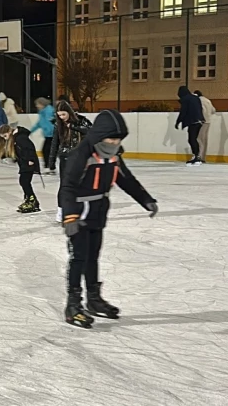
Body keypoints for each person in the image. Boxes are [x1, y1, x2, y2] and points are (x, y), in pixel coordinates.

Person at [59, 110, 158, 328]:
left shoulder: (114, 155)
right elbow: (67, 187)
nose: (114, 142)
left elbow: (126, 180)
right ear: (99, 135)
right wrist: (70, 217)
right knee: (79, 258)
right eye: (111, 138)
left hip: (99, 211)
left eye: (118, 139)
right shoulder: (81, 155)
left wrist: (145, 199)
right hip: (79, 212)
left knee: (93, 256)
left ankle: (94, 300)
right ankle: (73, 305)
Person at [49, 100, 91, 223]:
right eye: (59, 115)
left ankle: (80, 211)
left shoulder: (81, 120)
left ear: (69, 112)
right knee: (65, 186)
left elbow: (92, 132)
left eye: (64, 115)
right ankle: (61, 211)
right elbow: (54, 143)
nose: (62, 117)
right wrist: (51, 160)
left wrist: (73, 126)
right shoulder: (58, 125)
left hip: (80, 158)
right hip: (65, 158)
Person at [0, 124, 42, 213]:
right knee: (24, 182)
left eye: (5, 136)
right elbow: (18, 151)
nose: (5, 138)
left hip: (29, 163)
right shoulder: (15, 138)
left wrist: (31, 159)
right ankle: (29, 199)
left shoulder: (20, 138)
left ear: (9, 131)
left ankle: (32, 200)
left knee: (24, 181)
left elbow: (30, 148)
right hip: (24, 163)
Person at [176, 86, 205, 166]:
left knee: (192, 139)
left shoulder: (186, 99)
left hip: (193, 121)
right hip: (199, 121)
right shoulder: (195, 98)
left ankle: (197, 156)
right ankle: (196, 156)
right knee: (193, 139)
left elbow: (183, 111)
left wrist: (178, 122)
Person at [30, 97, 57, 174]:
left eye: (38, 104)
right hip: (47, 135)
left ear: (42, 104)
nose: (37, 106)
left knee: (48, 151)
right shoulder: (42, 112)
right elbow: (40, 123)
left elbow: (51, 123)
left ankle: (50, 167)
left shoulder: (49, 111)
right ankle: (49, 167)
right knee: (47, 151)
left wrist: (51, 131)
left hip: (52, 135)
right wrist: (31, 131)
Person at [193, 90, 216, 162]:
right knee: (204, 140)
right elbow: (213, 110)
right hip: (208, 121)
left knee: (199, 139)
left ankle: (199, 156)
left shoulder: (198, 101)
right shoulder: (207, 100)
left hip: (201, 121)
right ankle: (203, 157)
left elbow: (201, 110)